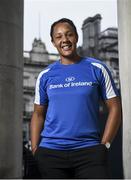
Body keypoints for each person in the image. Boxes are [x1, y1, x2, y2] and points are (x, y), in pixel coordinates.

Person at [30, 18, 122, 179]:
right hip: (51, 153)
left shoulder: (98, 68)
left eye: (68, 35)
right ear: (53, 42)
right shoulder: (45, 75)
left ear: (76, 37)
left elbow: (115, 107)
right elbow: (38, 114)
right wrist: (35, 148)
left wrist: (105, 145)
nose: (64, 40)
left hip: (90, 153)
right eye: (58, 37)